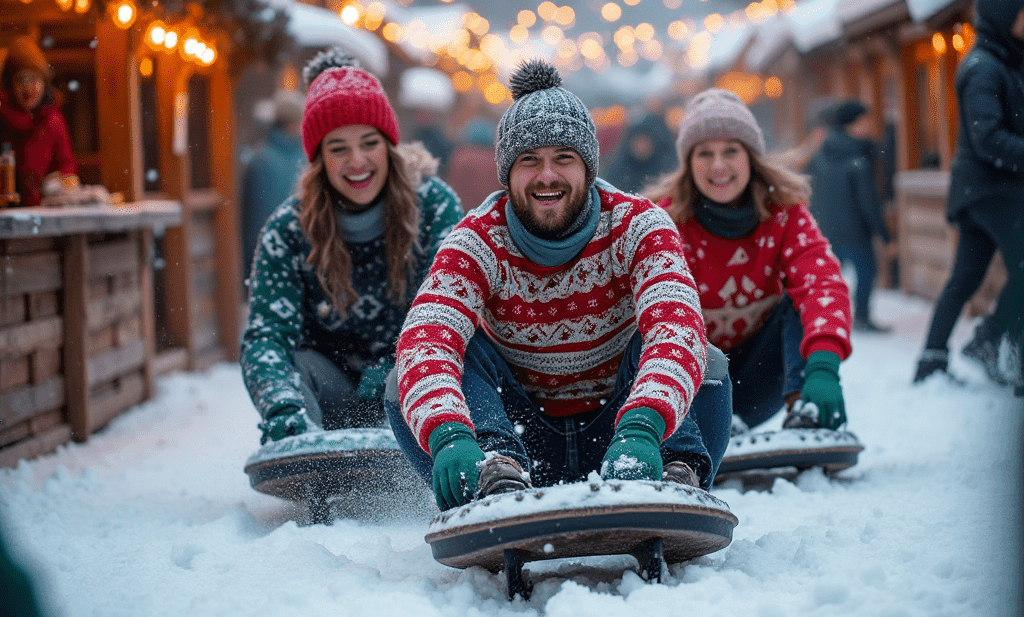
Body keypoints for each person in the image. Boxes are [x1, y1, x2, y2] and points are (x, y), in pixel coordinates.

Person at [385, 59, 732, 512]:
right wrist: (449, 433)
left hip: (627, 436)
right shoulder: (474, 240)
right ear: (507, 173)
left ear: (587, 168)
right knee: (411, 374)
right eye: (529, 161)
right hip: (520, 437)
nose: (546, 175)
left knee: (702, 358)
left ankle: (674, 472)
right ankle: (491, 473)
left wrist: (643, 426)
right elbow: (425, 336)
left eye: (563, 159)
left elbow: (677, 323)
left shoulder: (640, 225)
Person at [240, 49, 463, 445]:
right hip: (331, 398)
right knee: (293, 365)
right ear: (319, 159)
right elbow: (267, 334)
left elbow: (452, 306)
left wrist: (400, 363)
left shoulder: (433, 206)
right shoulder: (288, 229)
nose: (356, 161)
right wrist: (281, 403)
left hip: (415, 391)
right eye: (338, 148)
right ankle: (302, 449)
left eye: (369, 142)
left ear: (389, 146)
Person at [644, 88, 853, 435]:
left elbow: (821, 280)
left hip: (760, 379)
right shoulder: (666, 221)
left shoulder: (784, 213)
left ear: (751, 157)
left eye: (731, 151)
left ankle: (805, 407)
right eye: (705, 153)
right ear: (688, 162)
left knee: (798, 301)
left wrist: (824, 364)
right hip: (691, 388)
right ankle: (700, 426)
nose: (719, 165)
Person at [913, 0, 1024, 394]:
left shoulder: (1006, 60)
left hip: (987, 192)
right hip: (989, 191)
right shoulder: (984, 68)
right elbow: (988, 138)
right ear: (1004, 18)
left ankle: (932, 359)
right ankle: (990, 340)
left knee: (964, 278)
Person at [805, 99, 896, 333]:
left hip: (826, 228)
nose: (868, 125)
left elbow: (811, 191)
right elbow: (869, 203)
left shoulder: (820, 153)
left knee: (828, 278)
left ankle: (822, 318)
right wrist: (886, 237)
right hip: (855, 230)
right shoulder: (858, 158)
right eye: (865, 120)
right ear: (853, 124)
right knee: (866, 273)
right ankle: (862, 318)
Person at [0, 35, 76, 208]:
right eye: (20, 79)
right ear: (10, 84)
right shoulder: (2, 119)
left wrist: (57, 183)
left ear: (43, 83)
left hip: (43, 212)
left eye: (34, 79)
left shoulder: (53, 121)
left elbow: (66, 164)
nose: (28, 87)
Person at [240, 89, 307, 279]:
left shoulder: (260, 159)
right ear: (293, 124)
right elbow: (256, 221)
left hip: (274, 261)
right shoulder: (265, 162)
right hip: (288, 259)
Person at [604, 106, 678, 194]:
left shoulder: (669, 170)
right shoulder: (619, 169)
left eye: (644, 141)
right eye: (637, 141)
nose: (640, 146)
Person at [447, 118, 501, 213]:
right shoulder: (495, 159)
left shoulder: (460, 156)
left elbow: (453, 182)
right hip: (489, 211)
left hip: (462, 209)